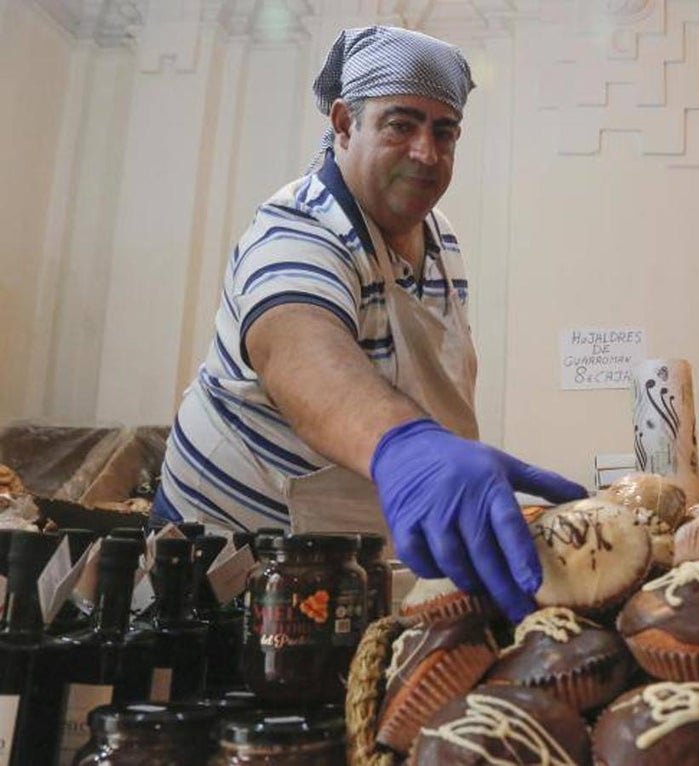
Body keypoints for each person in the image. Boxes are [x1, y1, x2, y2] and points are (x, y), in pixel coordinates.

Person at [151, 26, 586, 620]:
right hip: (226, 587)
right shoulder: (298, 229)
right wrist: (406, 447)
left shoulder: (441, 241)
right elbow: (298, 346)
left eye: (444, 131)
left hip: (350, 574)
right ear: (344, 123)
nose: (426, 153)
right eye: (400, 124)